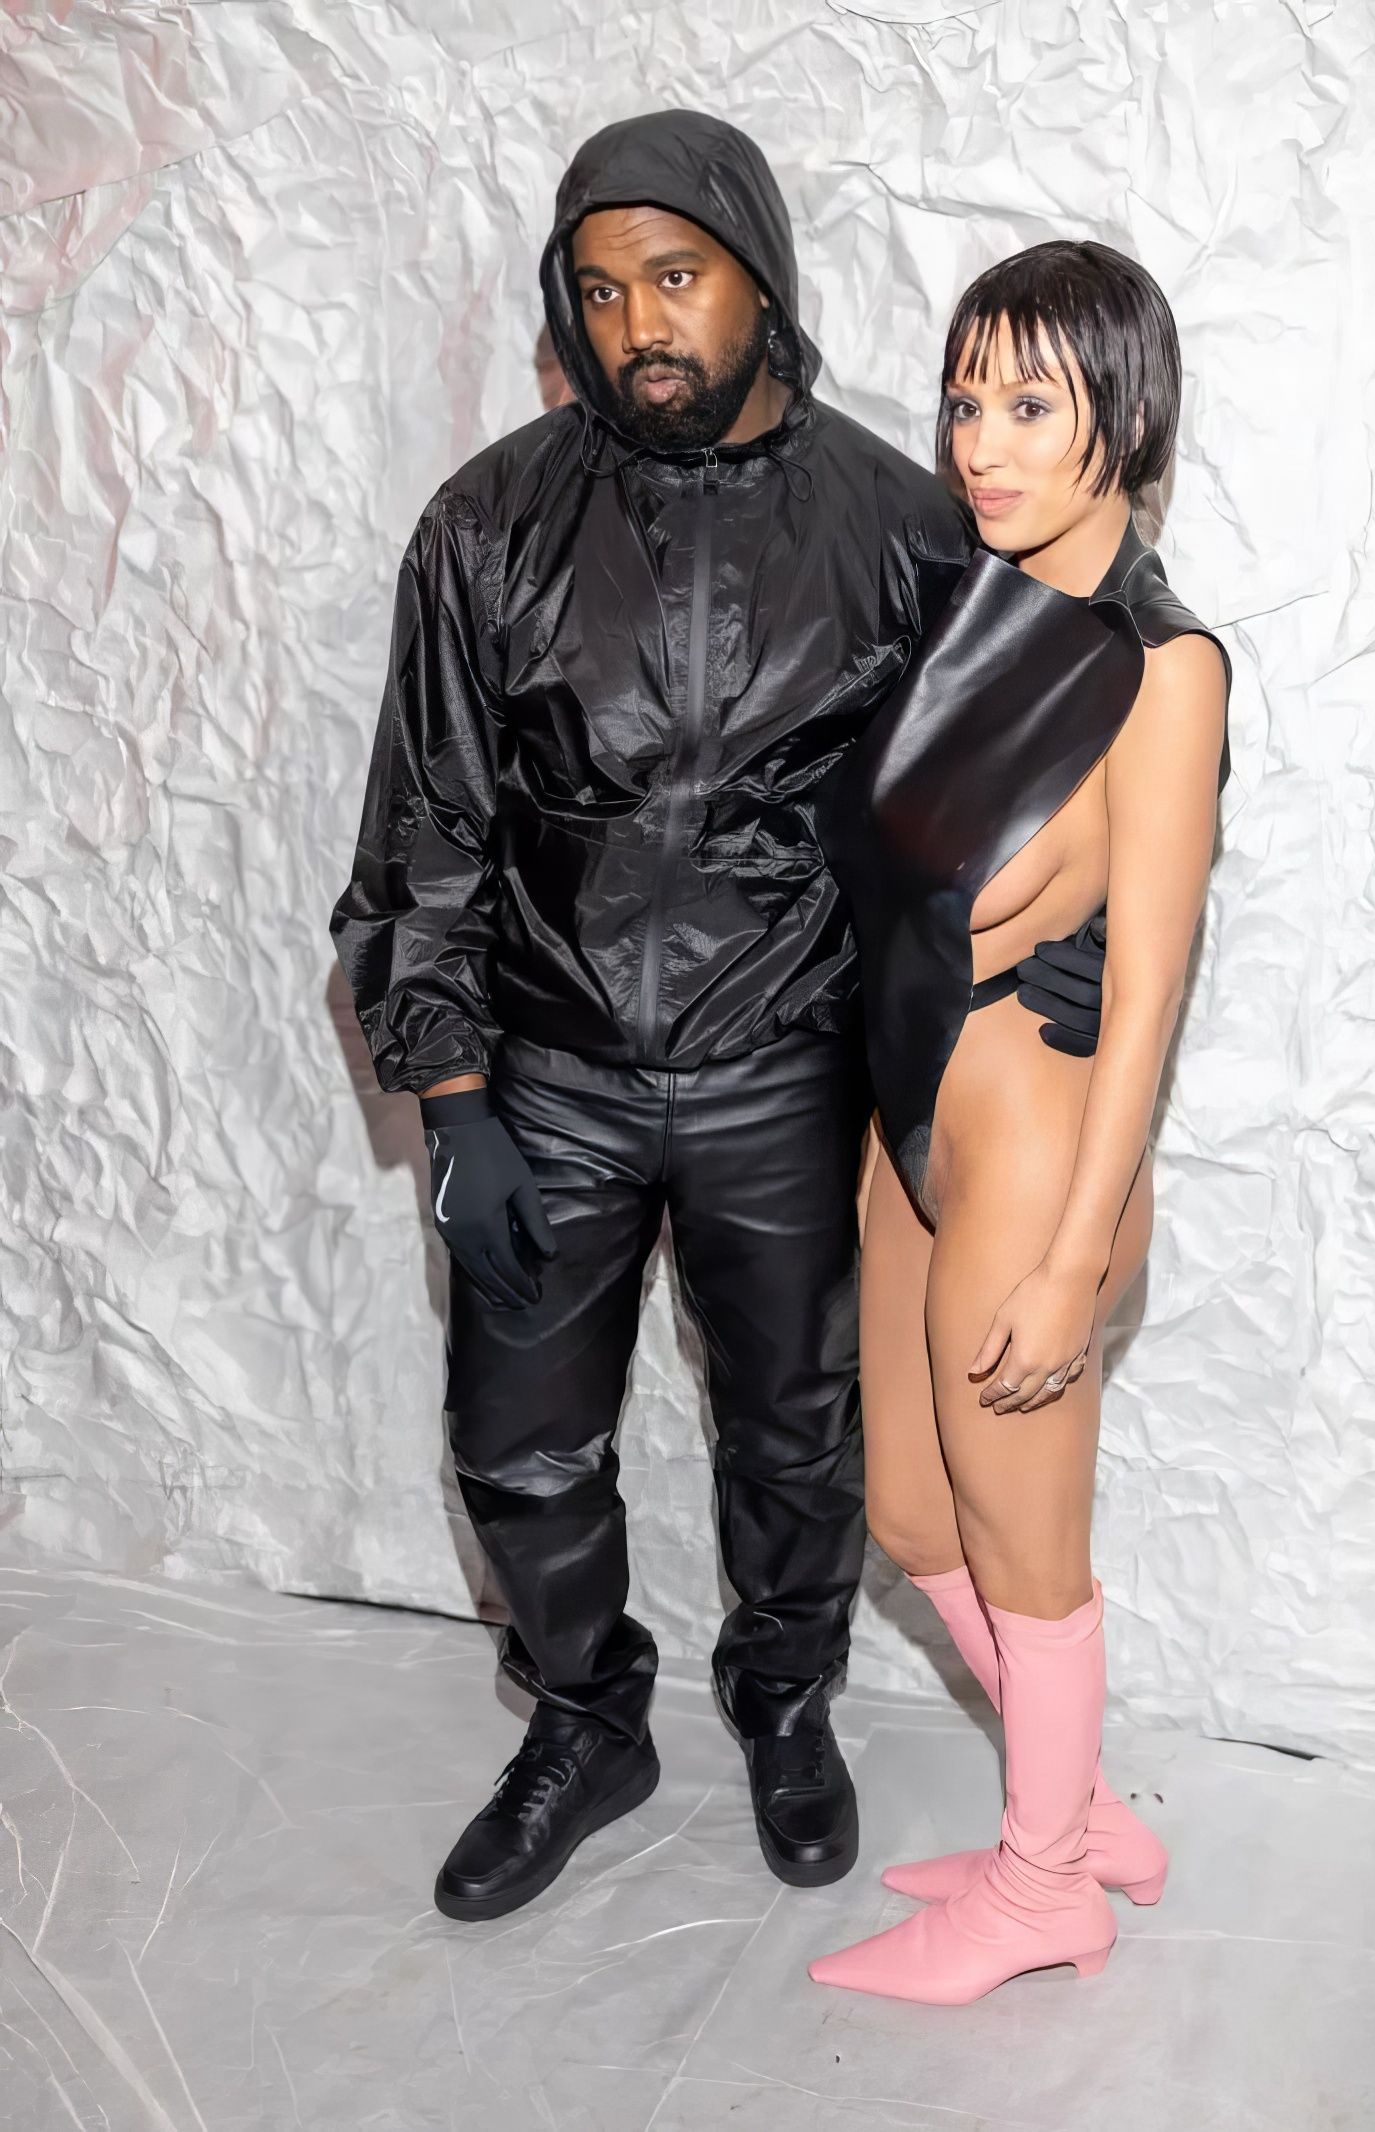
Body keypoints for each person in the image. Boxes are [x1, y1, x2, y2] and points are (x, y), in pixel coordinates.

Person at [329, 111, 1099, 1923]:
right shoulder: (489, 524)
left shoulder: (901, 526)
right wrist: (453, 1097)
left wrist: (1042, 987)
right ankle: (586, 1717)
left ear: (761, 274)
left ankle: (783, 1702)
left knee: (797, 1435)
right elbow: (426, 828)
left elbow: (1005, 783)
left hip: (786, 1069)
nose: (638, 325)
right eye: (599, 294)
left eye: (674, 277)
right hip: (549, 1070)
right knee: (514, 1444)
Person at [807, 240, 1231, 2005]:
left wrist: (1072, 1260)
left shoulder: (1162, 666)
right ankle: (1078, 1814)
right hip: (918, 1127)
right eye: (966, 400)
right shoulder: (963, 610)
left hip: (1042, 1150)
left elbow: (1149, 995)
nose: (981, 443)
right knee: (914, 1514)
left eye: (1030, 404)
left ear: (1125, 417)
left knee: (1028, 1547)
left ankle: (1045, 1879)